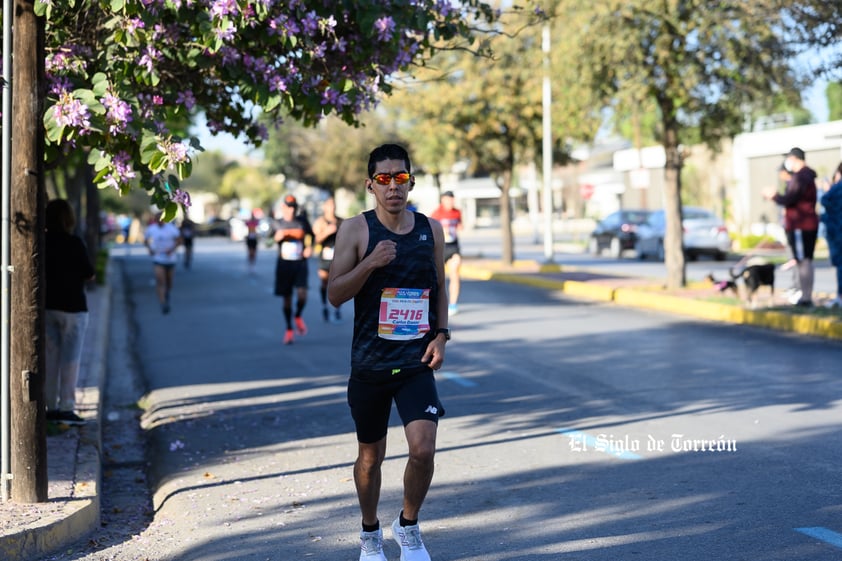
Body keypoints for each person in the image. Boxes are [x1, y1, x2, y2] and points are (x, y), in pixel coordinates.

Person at [328, 143, 449, 561]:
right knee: (369, 458)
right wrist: (369, 264)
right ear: (370, 185)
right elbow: (334, 294)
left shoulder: (431, 229)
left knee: (423, 449)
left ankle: (409, 526)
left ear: (411, 181)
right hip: (370, 365)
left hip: (415, 362)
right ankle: (369, 534)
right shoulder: (355, 231)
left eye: (400, 177)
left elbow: (440, 285)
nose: (393, 186)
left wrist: (441, 334)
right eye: (384, 179)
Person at [44, 199, 96, 425]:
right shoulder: (75, 243)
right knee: (70, 359)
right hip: (74, 308)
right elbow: (89, 273)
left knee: (50, 358)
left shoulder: (42, 242)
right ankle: (66, 406)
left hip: (48, 307)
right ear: (68, 219)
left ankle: (50, 407)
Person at [762, 147, 819, 307]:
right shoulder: (804, 176)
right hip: (803, 224)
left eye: (789, 158)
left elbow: (790, 198)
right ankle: (805, 296)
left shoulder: (801, 176)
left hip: (801, 224)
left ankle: (806, 297)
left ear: (795, 159)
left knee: (804, 261)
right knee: (803, 260)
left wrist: (774, 196)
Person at [272, 194, 313, 344]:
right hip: (284, 265)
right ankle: (289, 328)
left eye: (293, 207)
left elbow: (311, 236)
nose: (291, 209)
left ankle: (298, 315)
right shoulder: (277, 223)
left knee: (302, 295)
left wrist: (309, 247)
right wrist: (276, 237)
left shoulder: (302, 221)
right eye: (288, 206)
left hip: (300, 263)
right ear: (283, 207)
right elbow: (270, 240)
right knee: (287, 299)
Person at [430, 190, 463, 316]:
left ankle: (453, 304)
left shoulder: (457, 212)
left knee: (455, 273)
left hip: (453, 246)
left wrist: (456, 229)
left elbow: (460, 225)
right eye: (448, 199)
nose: (450, 202)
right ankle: (436, 302)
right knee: (438, 277)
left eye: (452, 199)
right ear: (443, 200)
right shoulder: (436, 213)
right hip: (440, 247)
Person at [312, 196, 344, 322]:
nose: (332, 208)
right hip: (325, 256)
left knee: (339, 284)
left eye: (334, 205)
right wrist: (327, 231)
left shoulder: (341, 221)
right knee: (325, 283)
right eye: (329, 205)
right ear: (325, 207)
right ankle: (324, 306)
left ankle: (337, 309)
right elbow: (317, 240)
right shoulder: (320, 221)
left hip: (339, 256)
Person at [144, 212, 182, 314]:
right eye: (157, 219)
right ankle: (163, 303)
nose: (159, 221)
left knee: (169, 282)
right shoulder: (151, 229)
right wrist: (150, 249)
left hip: (170, 259)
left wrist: (172, 249)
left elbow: (179, 240)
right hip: (158, 259)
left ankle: (166, 294)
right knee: (160, 280)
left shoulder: (171, 228)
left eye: (161, 219)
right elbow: (146, 240)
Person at [820, 162, 842, 308]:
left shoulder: (837, 189)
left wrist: (829, 189)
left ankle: (840, 296)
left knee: (840, 264)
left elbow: (825, 200)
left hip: (837, 232)